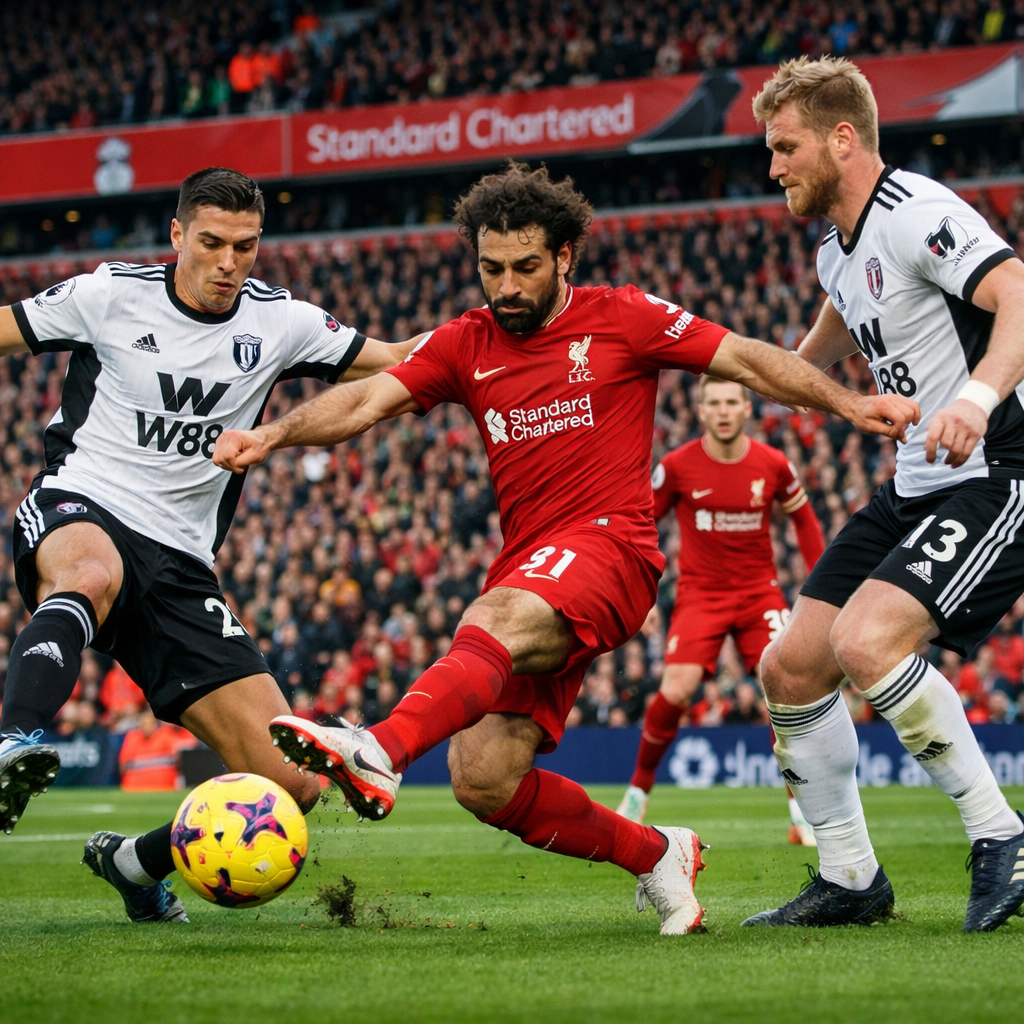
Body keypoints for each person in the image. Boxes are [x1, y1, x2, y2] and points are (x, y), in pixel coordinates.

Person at [215, 161, 917, 935]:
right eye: (490, 269)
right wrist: (273, 434)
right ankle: (656, 854)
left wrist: (849, 401)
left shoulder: (625, 318)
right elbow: (366, 401)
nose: (505, 287)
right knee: (485, 780)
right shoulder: (465, 342)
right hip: (535, 572)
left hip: (614, 553)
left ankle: (376, 747)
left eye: (524, 267)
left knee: (498, 611)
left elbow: (749, 358)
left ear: (564, 258)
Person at [0, 167, 413, 923]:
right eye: (213, 244)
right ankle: (9, 744)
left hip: (183, 564)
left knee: (293, 788)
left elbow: (398, 358)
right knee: (88, 572)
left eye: (246, 247)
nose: (228, 263)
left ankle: (135, 863)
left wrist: (505, 338)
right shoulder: (109, 294)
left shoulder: (279, 322)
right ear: (178, 236)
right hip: (84, 500)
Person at [745, 56, 1024, 933]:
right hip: (917, 483)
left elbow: (1019, 295)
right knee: (789, 667)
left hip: (996, 471)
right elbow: (815, 355)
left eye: (785, 147)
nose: (774, 167)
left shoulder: (918, 215)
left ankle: (1001, 837)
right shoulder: (836, 247)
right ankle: (851, 877)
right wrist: (727, 367)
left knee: (870, 642)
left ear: (841, 137)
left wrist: (975, 401)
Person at [616, 376, 824, 843]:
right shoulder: (677, 466)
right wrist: (640, 589)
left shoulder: (773, 465)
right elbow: (642, 524)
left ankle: (800, 811)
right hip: (700, 595)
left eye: (732, 402)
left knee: (787, 692)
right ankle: (638, 791)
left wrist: (821, 587)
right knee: (677, 689)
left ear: (745, 409)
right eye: (715, 403)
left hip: (758, 594)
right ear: (701, 409)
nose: (724, 410)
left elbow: (806, 524)